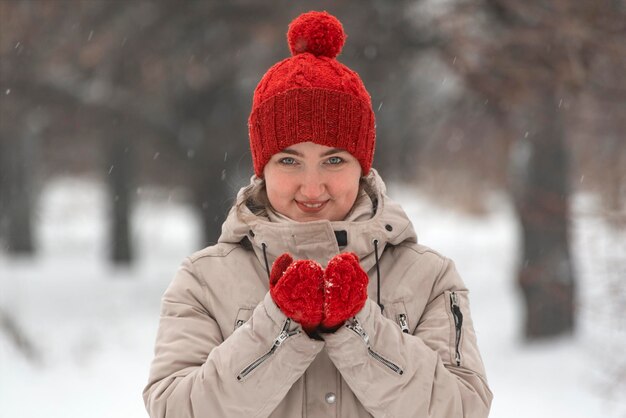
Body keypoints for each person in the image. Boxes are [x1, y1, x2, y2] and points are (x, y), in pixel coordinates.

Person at [143, 10, 492, 418]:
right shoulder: (203, 281)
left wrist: (360, 326)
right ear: (263, 167)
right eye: (289, 161)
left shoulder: (429, 278)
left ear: (362, 166)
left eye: (334, 161)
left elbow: (462, 409)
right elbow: (174, 410)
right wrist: (279, 325)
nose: (312, 188)